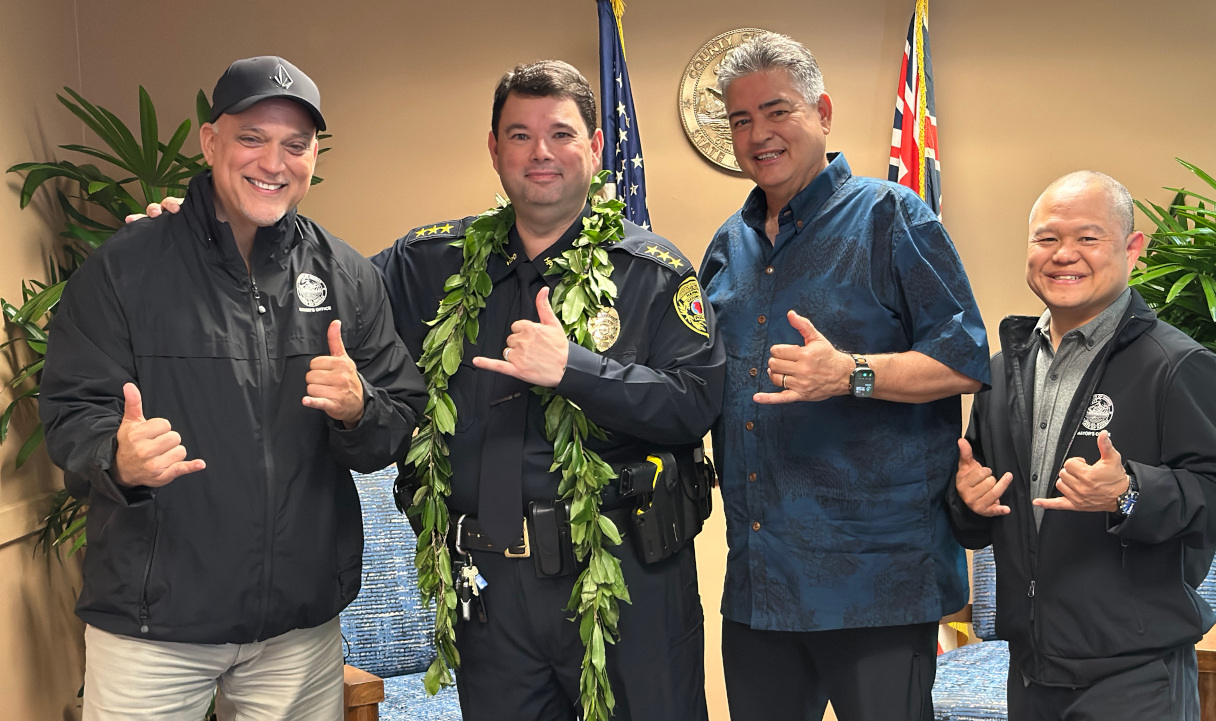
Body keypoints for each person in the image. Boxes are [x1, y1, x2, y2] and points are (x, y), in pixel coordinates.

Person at [40, 56, 427, 721]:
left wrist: (361, 408)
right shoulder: (123, 269)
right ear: (210, 141)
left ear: (313, 157)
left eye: (295, 145)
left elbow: (397, 419)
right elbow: (71, 414)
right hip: (153, 627)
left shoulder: (347, 276)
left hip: (297, 631)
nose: (273, 162)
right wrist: (117, 457)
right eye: (252, 138)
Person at [370, 60, 723, 721]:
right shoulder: (428, 263)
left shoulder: (651, 272)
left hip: (626, 577)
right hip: (486, 587)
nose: (540, 152)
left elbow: (696, 401)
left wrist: (576, 370)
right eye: (520, 135)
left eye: (561, 133)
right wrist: (221, 228)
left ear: (595, 147)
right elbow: (323, 288)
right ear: (494, 148)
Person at [698, 33, 991, 721]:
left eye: (777, 111)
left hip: (875, 583)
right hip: (760, 582)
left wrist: (849, 374)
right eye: (741, 120)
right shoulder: (727, 246)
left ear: (822, 112)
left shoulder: (893, 216)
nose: (758, 134)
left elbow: (965, 360)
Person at [947, 171, 1216, 720]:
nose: (1064, 254)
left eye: (1087, 238)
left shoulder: (1178, 365)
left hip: (1135, 677)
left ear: (1132, 248)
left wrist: (1130, 493)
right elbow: (978, 513)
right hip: (1030, 670)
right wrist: (968, 501)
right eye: (1047, 238)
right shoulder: (1004, 371)